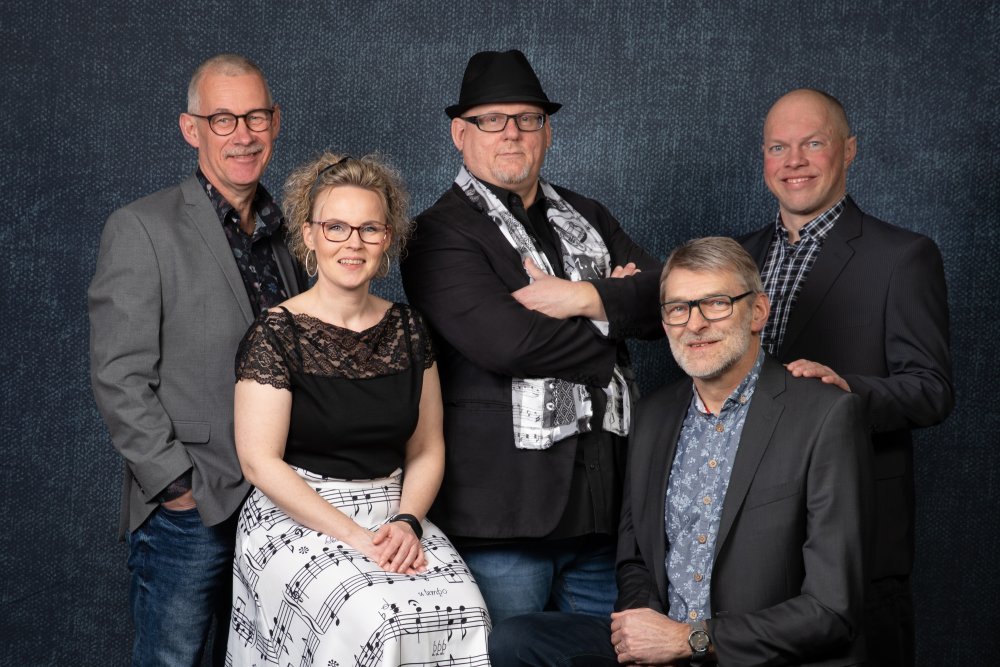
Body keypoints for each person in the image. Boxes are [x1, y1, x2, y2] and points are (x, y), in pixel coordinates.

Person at [489, 236, 872, 666]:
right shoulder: (653, 416)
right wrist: (646, 636)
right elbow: (635, 559)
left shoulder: (825, 416)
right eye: (678, 308)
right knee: (518, 640)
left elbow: (832, 611)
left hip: (751, 655)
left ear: (758, 312)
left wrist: (689, 640)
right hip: (665, 654)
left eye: (716, 304)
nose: (695, 324)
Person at [400, 49, 663, 624]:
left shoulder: (589, 215)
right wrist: (615, 312)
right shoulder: (437, 234)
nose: (512, 133)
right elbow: (509, 344)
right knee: (510, 654)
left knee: (604, 656)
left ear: (547, 131)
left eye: (528, 118)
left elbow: (666, 300)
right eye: (492, 120)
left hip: (603, 507)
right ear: (460, 134)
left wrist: (580, 298)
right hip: (505, 519)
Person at [225, 152, 490, 665]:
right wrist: (358, 539)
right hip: (298, 514)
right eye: (336, 227)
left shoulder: (410, 330)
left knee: (469, 614)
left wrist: (407, 522)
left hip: (394, 510)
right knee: (377, 621)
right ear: (310, 235)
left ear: (387, 239)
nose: (353, 243)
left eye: (369, 229)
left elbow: (427, 447)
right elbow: (259, 463)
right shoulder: (275, 334)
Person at [88, 54, 305, 666]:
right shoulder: (141, 227)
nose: (243, 135)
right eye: (223, 119)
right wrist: (176, 487)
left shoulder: (290, 232)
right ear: (192, 129)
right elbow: (118, 376)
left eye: (256, 117)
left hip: (280, 500)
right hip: (192, 506)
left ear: (276, 121)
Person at [740, 88, 954, 666]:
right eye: (778, 147)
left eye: (813, 143)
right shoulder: (734, 256)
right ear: (763, 158)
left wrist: (848, 389)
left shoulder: (903, 257)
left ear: (849, 150)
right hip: (749, 533)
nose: (794, 161)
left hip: (854, 526)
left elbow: (931, 390)